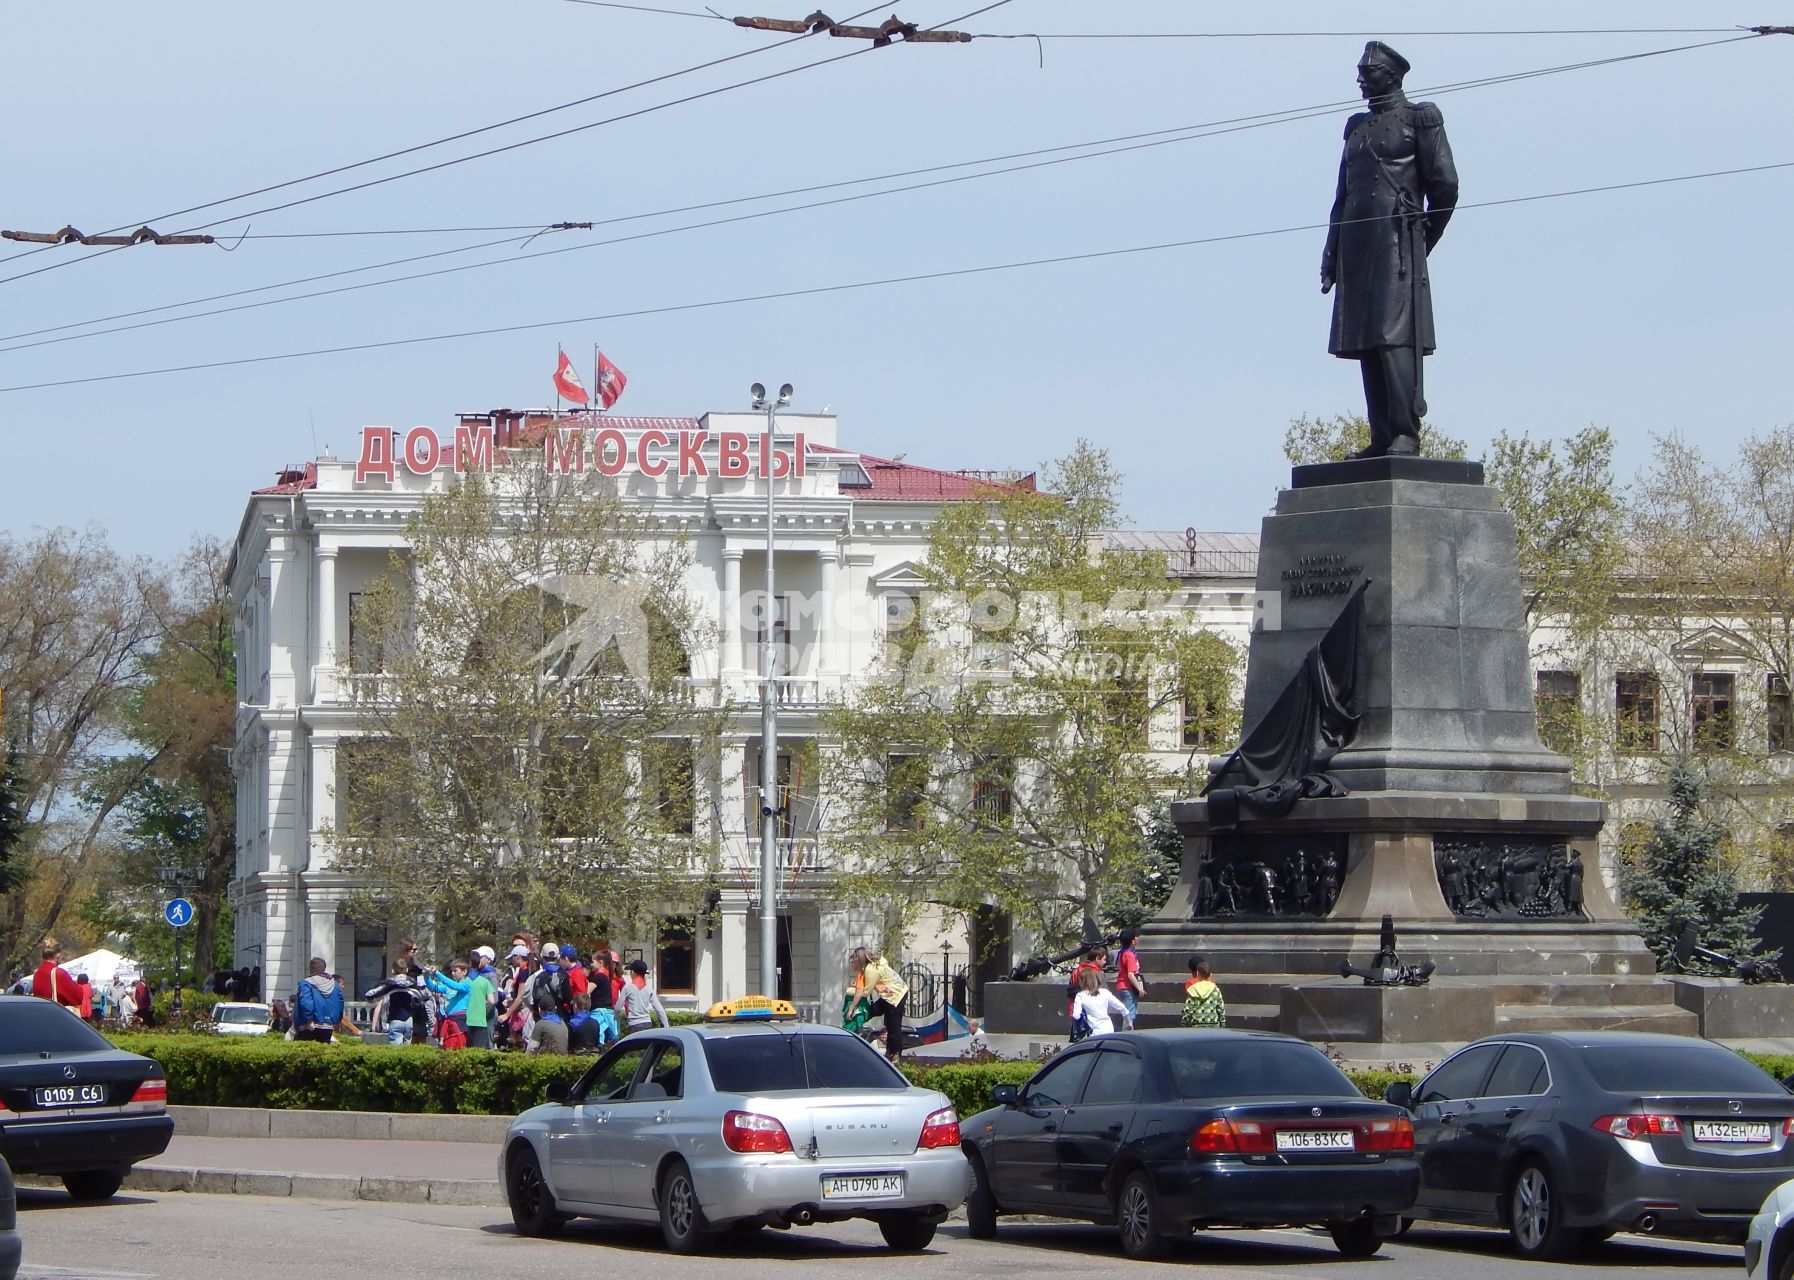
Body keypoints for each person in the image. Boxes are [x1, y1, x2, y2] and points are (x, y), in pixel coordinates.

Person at [1321, 41, 1459, 459]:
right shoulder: (1356, 127)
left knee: (1393, 337)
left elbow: (1446, 186)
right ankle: (1381, 435)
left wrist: (1423, 239)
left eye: (1369, 72)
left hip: (1398, 243)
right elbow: (1343, 195)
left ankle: (1404, 433)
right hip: (1358, 246)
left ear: (1393, 76)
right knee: (1366, 339)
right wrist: (1331, 252)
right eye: (1361, 71)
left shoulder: (1420, 118)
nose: (1361, 79)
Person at [845, 948, 908, 1063]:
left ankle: (895, 1054)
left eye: (854, 960)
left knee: (893, 1025)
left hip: (896, 996)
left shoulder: (871, 969)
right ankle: (890, 1050)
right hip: (888, 995)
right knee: (875, 1010)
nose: (852, 964)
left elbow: (864, 992)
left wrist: (851, 1003)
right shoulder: (869, 968)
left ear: (860, 960)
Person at [365, 963, 424, 1046]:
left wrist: (372, 999)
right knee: (407, 1051)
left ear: (393, 971)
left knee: (396, 1052)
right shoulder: (412, 983)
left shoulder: (390, 983)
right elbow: (424, 996)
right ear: (406, 970)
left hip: (395, 1020)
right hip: (408, 1020)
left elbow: (369, 995)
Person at [293, 957, 345, 1043]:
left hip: (309, 1025)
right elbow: (340, 1004)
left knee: (305, 1051)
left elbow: (306, 1003)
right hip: (328, 1025)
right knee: (323, 1051)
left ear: (311, 969)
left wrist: (309, 1019)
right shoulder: (334, 984)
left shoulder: (306, 983)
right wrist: (337, 1021)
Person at [614, 958, 670, 1035]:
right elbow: (659, 1009)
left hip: (634, 1025)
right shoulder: (649, 988)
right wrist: (666, 1026)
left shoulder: (628, 987)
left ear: (633, 972)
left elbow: (618, 1007)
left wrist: (615, 1017)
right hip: (647, 1024)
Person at [1071, 967, 1132, 1037]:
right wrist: (1128, 1023)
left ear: (1083, 981)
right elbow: (1122, 1007)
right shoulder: (1104, 992)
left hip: (1094, 1030)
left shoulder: (1080, 995)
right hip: (1108, 1028)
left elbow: (1076, 1015)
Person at [1181, 956, 1227, 1028]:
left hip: (1197, 1024)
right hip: (1213, 1023)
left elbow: (1188, 1009)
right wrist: (1222, 1022)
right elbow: (1220, 1007)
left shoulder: (1192, 989)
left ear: (1197, 973)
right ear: (1210, 974)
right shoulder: (1214, 988)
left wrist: (1184, 1023)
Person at [1113, 930, 1147, 1025]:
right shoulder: (1130, 955)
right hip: (1128, 987)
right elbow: (1131, 975)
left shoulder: (1122, 953)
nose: (1138, 938)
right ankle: (1127, 1034)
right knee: (1129, 1015)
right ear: (1132, 941)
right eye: (1136, 936)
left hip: (1121, 985)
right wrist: (1139, 989)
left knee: (1127, 1013)